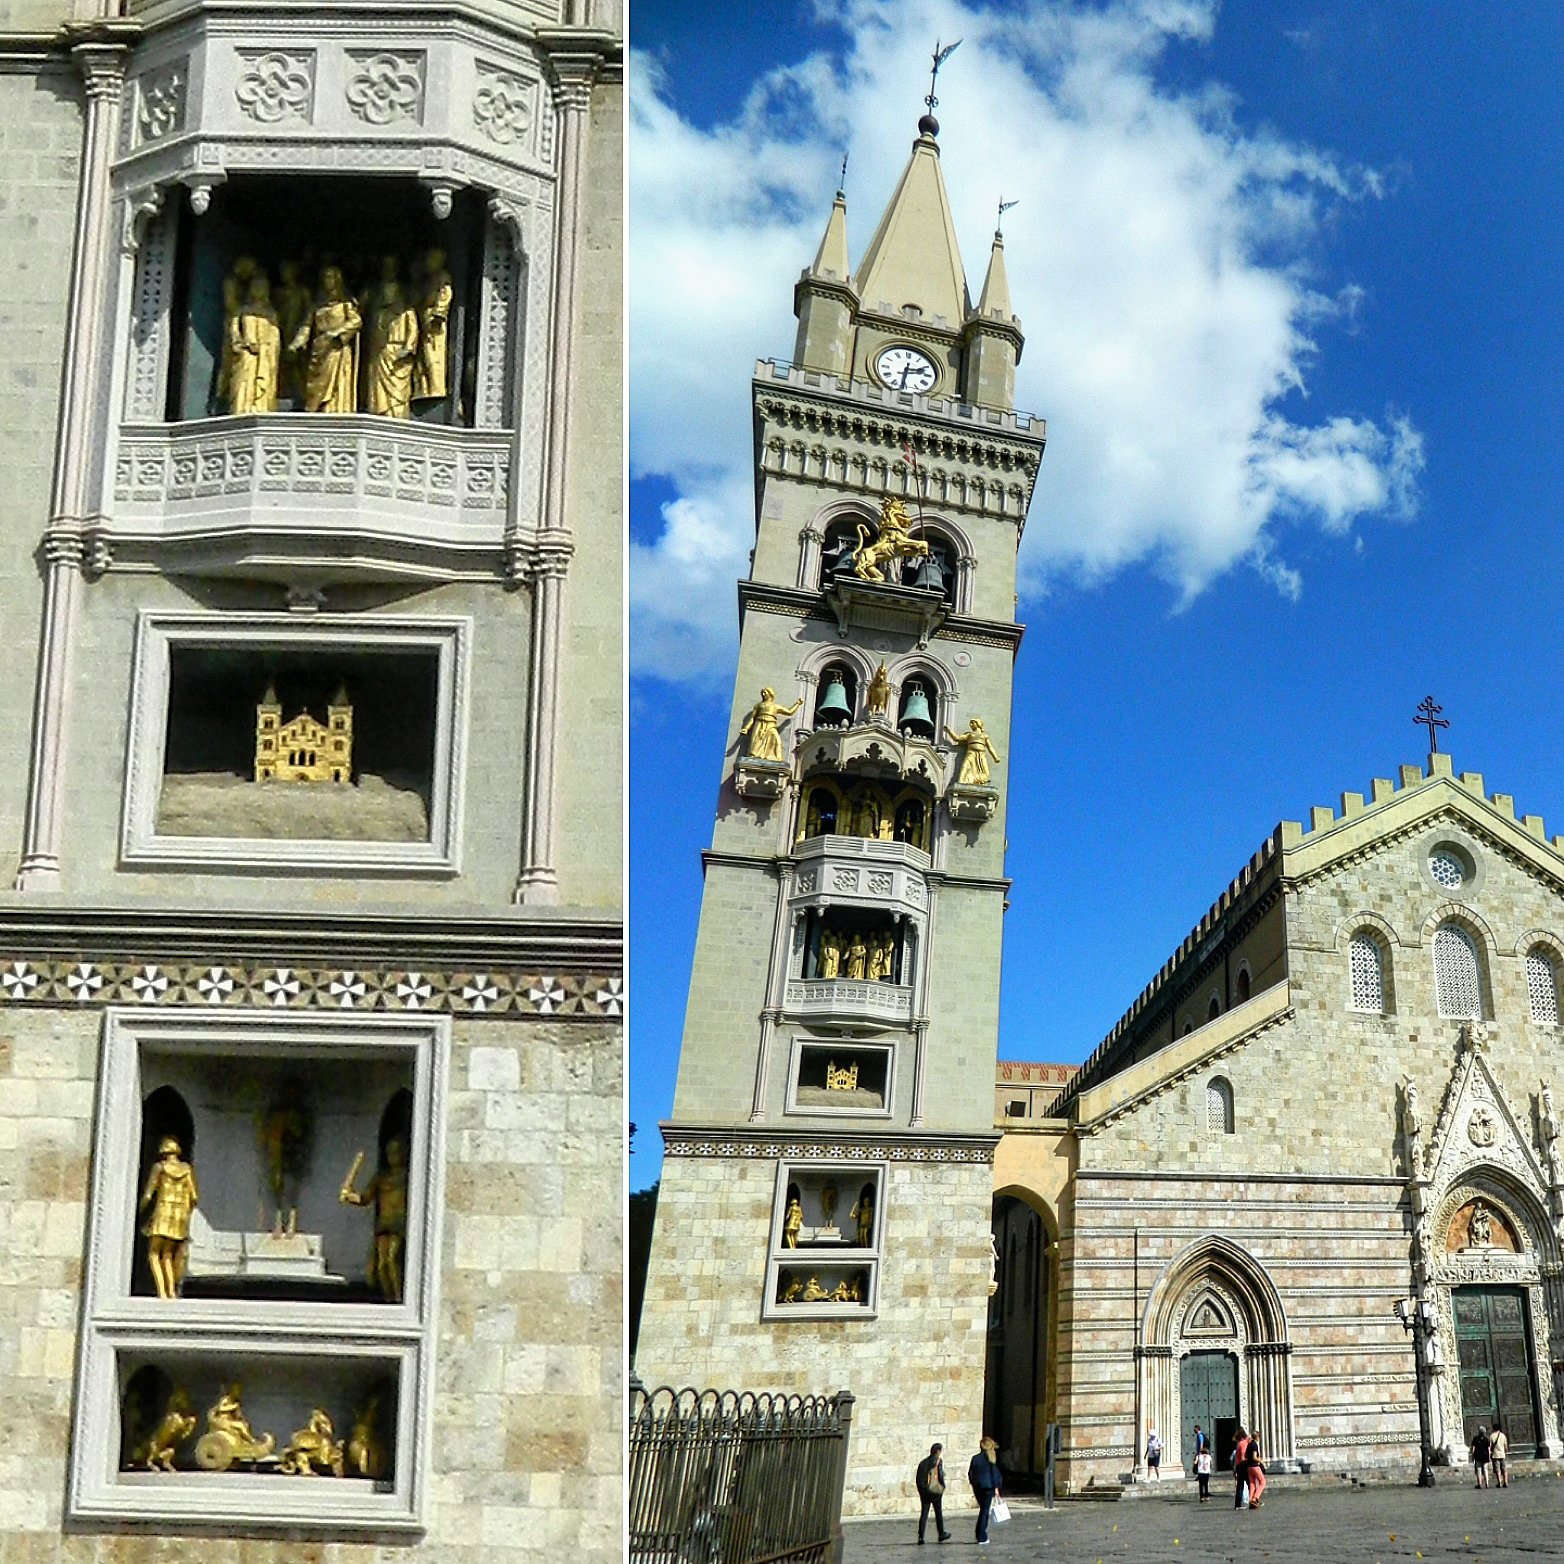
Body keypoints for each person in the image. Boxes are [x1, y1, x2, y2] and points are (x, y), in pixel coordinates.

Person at [968, 1436, 1003, 1545]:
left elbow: (970, 1473)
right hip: (988, 1487)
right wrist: (996, 1487)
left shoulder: (975, 1458)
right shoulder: (991, 1458)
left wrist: (974, 1483)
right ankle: (981, 1535)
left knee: (983, 1510)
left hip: (978, 1487)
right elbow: (994, 1474)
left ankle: (979, 1533)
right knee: (984, 1511)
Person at [915, 1442, 951, 1544]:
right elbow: (939, 1475)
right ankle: (941, 1533)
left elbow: (918, 1479)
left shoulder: (922, 1463)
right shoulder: (938, 1461)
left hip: (925, 1492)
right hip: (935, 1491)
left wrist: (922, 1490)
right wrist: (943, 1487)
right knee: (938, 1513)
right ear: (938, 1451)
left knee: (924, 1514)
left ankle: (921, 1536)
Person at [1246, 1431, 1266, 1509]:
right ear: (1257, 1437)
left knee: (1252, 1484)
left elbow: (1246, 1455)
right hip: (1255, 1466)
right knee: (1263, 1482)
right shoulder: (1254, 1445)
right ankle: (1255, 1498)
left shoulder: (1249, 1444)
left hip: (1249, 1467)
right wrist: (1260, 1460)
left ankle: (1250, 1500)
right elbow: (1254, 1457)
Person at [1232, 1426, 1251, 1509]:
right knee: (1250, 1484)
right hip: (1243, 1466)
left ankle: (1238, 1504)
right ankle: (1254, 1500)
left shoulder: (1240, 1443)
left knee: (1240, 1485)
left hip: (1239, 1466)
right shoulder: (1243, 1443)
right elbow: (1243, 1456)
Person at [1192, 1423, 1211, 1502]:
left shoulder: (1200, 1435)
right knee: (1206, 1484)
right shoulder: (1208, 1457)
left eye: (1194, 1429)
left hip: (1201, 1470)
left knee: (1201, 1484)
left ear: (1197, 1429)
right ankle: (1206, 1496)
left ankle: (1202, 1497)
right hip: (1206, 1471)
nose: (1194, 1430)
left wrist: (1199, 1451)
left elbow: (1201, 1443)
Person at [1471, 1424, 1491, 1488]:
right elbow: (1488, 1449)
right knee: (1485, 1470)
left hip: (1478, 1456)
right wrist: (1489, 1456)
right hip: (1485, 1456)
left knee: (1478, 1470)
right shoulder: (1486, 1439)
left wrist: (1472, 1455)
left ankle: (1479, 1483)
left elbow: (1473, 1448)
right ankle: (1487, 1483)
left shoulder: (1475, 1439)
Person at [1491, 1419, 1509, 1488]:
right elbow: (1505, 1445)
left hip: (1495, 1455)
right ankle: (1506, 1481)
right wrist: (1506, 1452)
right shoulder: (1503, 1435)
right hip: (1502, 1454)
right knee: (1504, 1469)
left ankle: (1500, 1482)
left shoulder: (1492, 1436)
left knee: (1497, 1469)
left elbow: (1490, 1446)